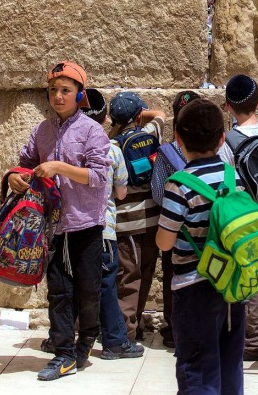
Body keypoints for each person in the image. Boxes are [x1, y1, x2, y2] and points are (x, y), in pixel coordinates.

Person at [8, 61, 111, 380]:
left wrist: (59, 167)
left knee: (88, 290)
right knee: (59, 290)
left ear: (79, 95)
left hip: (86, 225)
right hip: (52, 224)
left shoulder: (93, 131)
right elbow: (26, 162)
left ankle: (87, 341)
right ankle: (64, 352)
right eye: (53, 89)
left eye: (65, 90)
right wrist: (15, 176)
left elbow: (97, 176)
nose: (57, 95)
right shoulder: (41, 130)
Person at [156, 99, 245, 395]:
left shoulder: (179, 184)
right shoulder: (233, 178)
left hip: (193, 289)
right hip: (232, 286)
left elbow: (165, 242)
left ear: (178, 139)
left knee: (197, 366)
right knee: (229, 362)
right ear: (222, 139)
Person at [218, 74, 258, 361]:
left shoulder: (227, 144)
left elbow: (227, 184)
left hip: (246, 216)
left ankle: (252, 341)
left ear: (228, 106)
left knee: (251, 276)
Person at [81, 89, 145, 360]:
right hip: (103, 226)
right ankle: (115, 341)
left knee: (73, 280)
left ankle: (60, 337)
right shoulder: (113, 149)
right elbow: (120, 193)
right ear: (105, 117)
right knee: (107, 282)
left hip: (70, 224)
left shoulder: (71, 141)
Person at [109, 92, 166, 343]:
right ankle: (135, 324)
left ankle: (126, 332)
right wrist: (145, 115)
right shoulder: (151, 133)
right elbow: (161, 115)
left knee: (127, 277)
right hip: (153, 220)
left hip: (125, 224)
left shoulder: (110, 146)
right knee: (145, 272)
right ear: (139, 116)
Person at [150, 90, 201, 348]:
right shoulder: (216, 153)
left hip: (175, 227)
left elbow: (159, 194)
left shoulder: (166, 153)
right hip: (206, 226)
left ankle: (174, 328)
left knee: (174, 275)